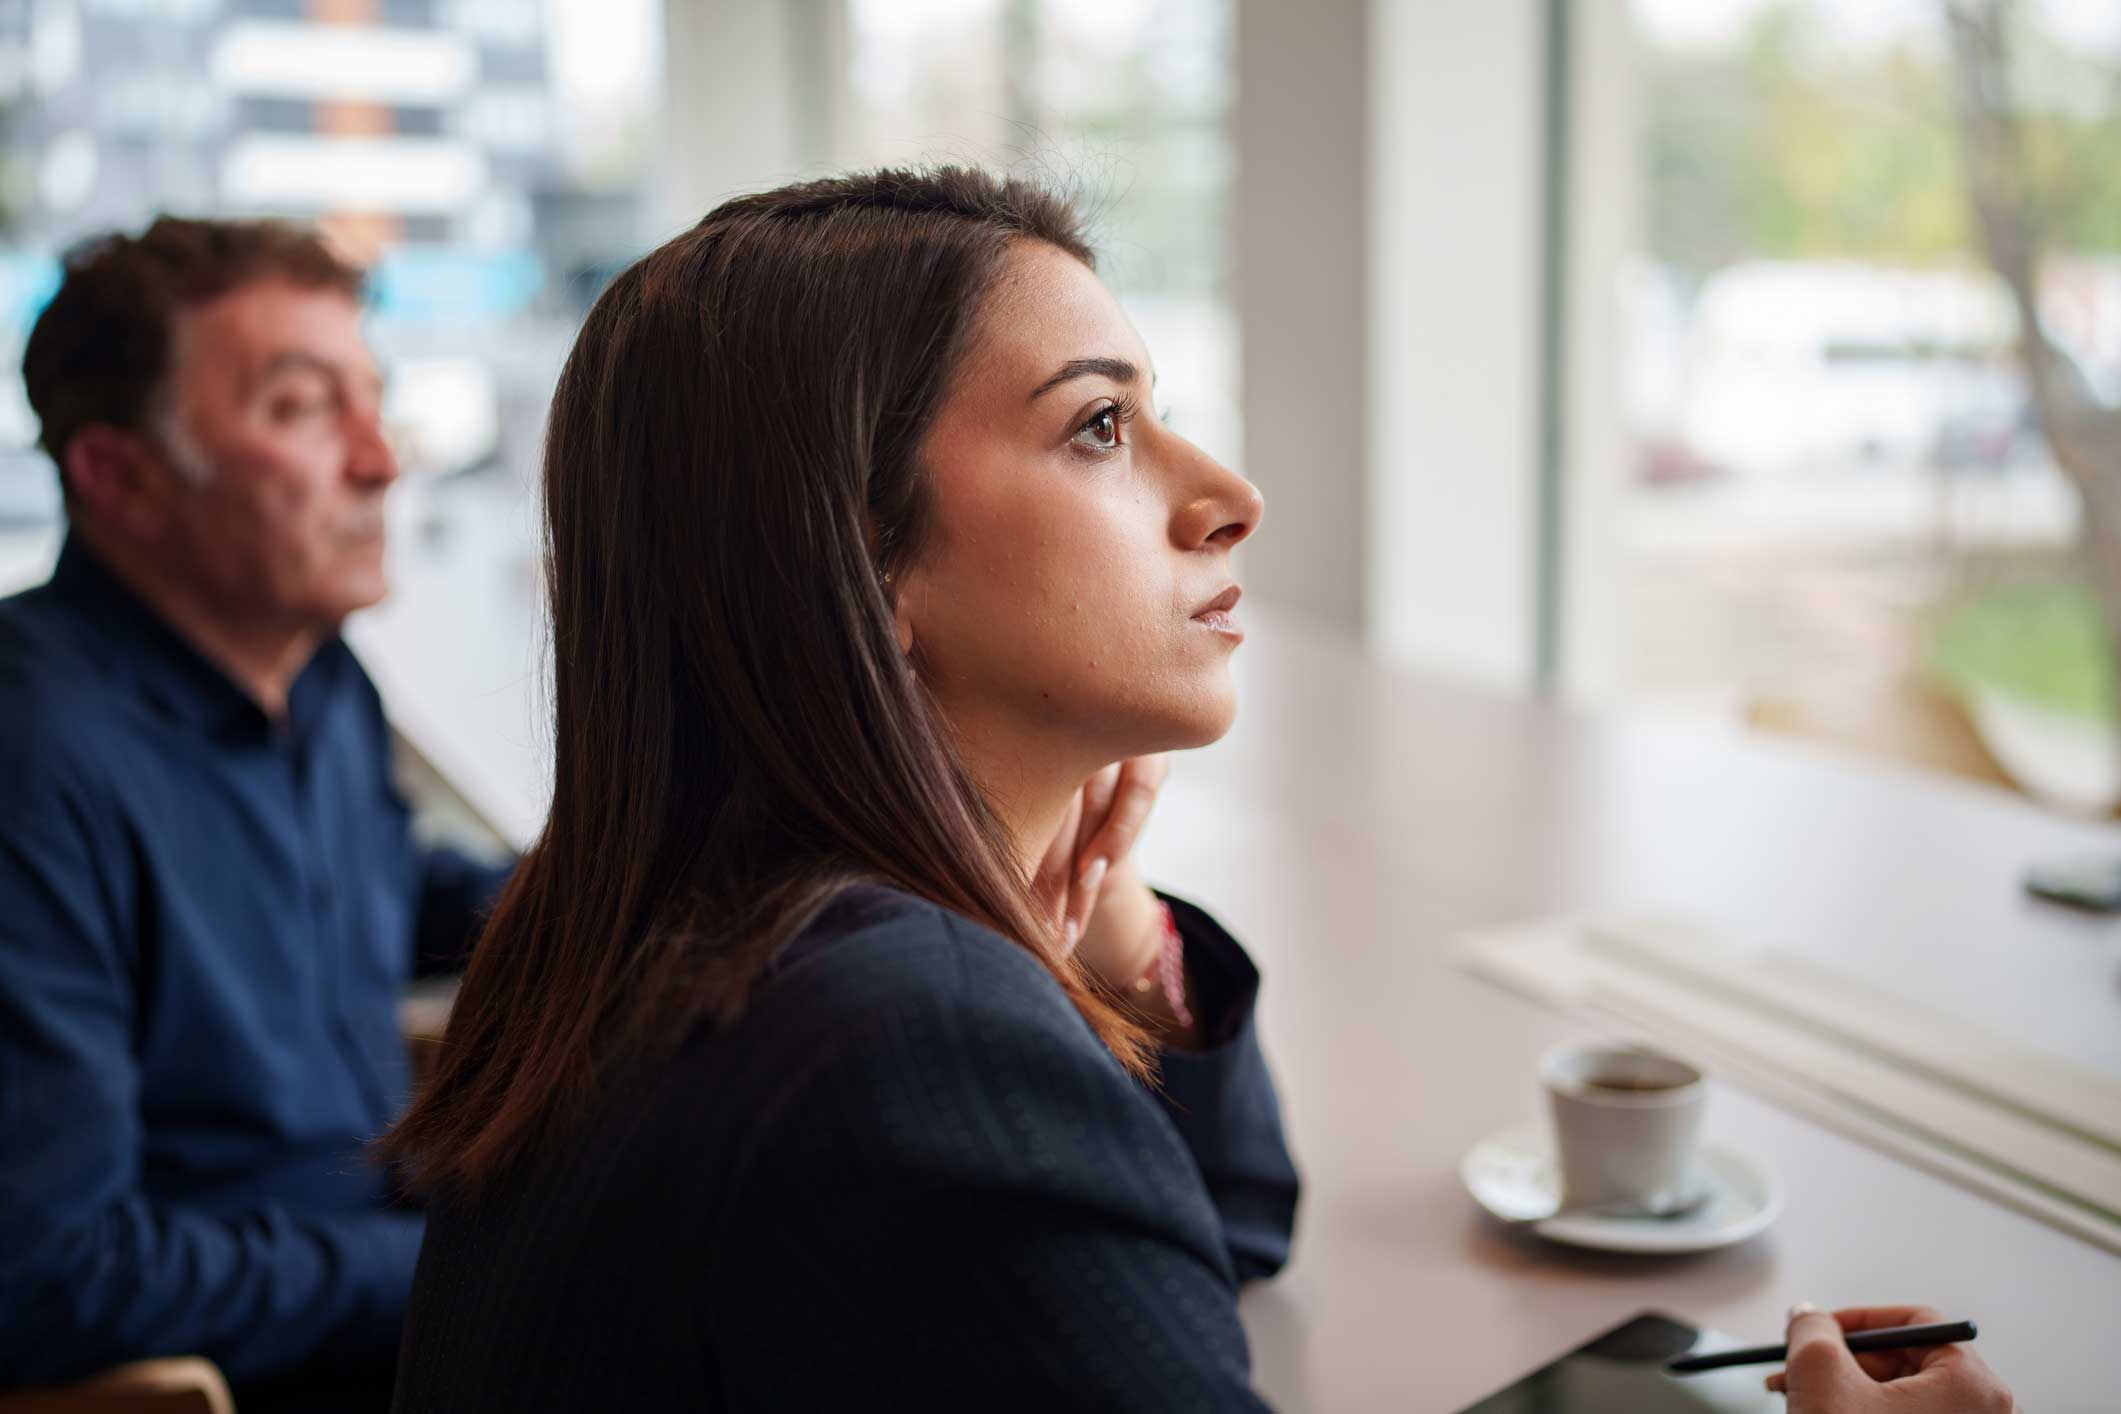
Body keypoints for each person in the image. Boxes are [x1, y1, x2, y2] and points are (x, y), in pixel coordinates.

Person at [384, 168, 2018, 1414]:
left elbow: (1211, 1226)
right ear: (856, 555)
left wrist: (1108, 952)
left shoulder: (668, 925)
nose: (1225, 495)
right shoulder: (898, 1039)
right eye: (1100, 425)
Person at [0, 218, 512, 1407]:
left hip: (385, 1293)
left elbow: (391, 889)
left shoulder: (321, 681)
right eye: (300, 411)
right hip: (244, 1372)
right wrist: (445, 1268)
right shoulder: (34, 762)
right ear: (120, 478)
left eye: (372, 402)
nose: (381, 459)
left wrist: (670, 883)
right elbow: (45, 1272)